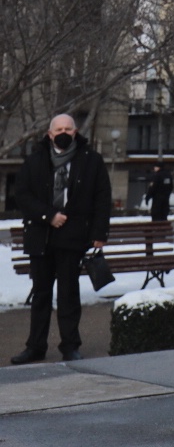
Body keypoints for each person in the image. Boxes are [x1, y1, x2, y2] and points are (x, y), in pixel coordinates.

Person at [11, 114, 111, 364]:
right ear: (49, 133)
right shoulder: (35, 160)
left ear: (76, 132)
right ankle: (35, 347)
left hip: (73, 236)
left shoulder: (91, 161)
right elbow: (22, 195)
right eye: (59, 129)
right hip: (41, 236)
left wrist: (99, 234)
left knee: (69, 294)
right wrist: (48, 215)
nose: (63, 132)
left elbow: (102, 198)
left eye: (68, 128)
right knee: (41, 295)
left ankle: (70, 346)